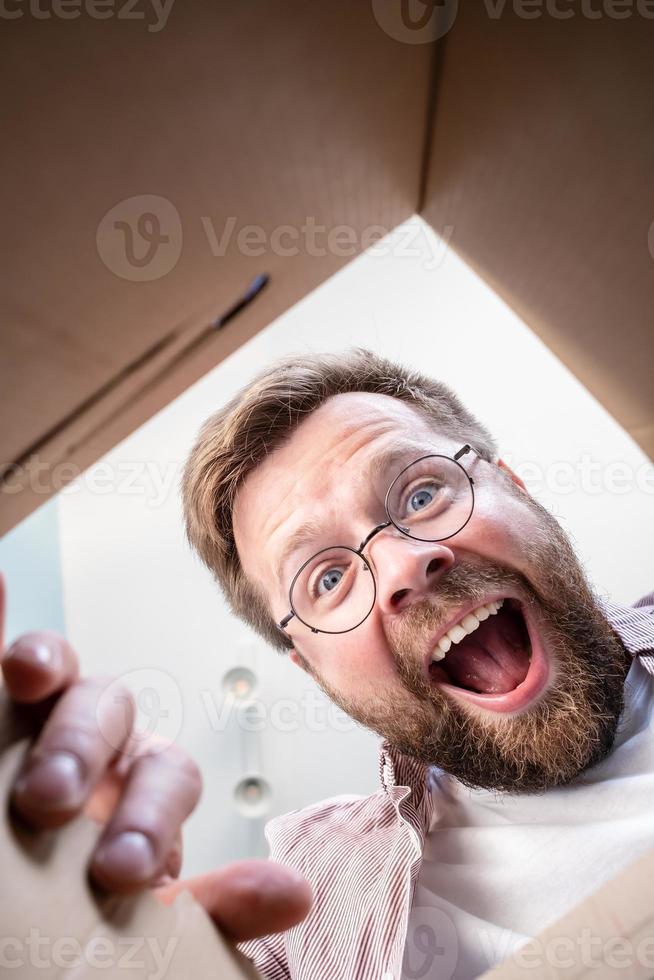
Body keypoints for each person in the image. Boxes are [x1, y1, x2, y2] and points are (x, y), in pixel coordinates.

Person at [2, 348, 652, 980]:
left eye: (423, 493)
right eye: (328, 577)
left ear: (513, 484)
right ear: (310, 667)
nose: (402, 566)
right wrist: (77, 918)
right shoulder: (304, 901)